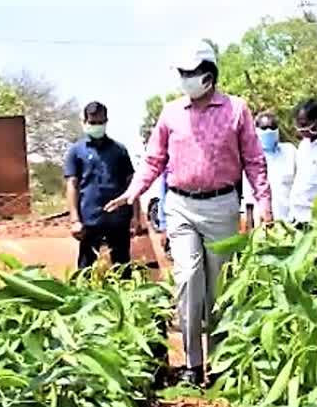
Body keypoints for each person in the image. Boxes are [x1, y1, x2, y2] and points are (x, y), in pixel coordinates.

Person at [105, 40, 272, 385]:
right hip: (180, 204)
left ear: (208, 77)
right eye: (181, 74)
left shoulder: (236, 110)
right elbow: (154, 159)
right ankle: (193, 366)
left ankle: (221, 364)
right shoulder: (171, 113)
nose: (183, 79)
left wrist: (265, 202)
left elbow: (254, 161)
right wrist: (133, 192)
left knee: (218, 288)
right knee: (187, 279)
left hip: (222, 204)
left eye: (189, 74)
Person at [64, 101, 139, 270]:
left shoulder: (119, 150)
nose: (97, 126)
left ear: (106, 122)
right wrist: (75, 220)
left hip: (118, 220)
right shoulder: (76, 151)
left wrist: (135, 217)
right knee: (86, 270)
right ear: (84, 122)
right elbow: (72, 185)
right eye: (92, 122)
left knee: (122, 269)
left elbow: (132, 185)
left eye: (101, 122)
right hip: (89, 221)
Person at [241, 111, 297, 224]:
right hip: (258, 223)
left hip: (287, 221)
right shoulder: (247, 156)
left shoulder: (290, 152)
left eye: (272, 128)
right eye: (264, 128)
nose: (269, 132)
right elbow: (247, 197)